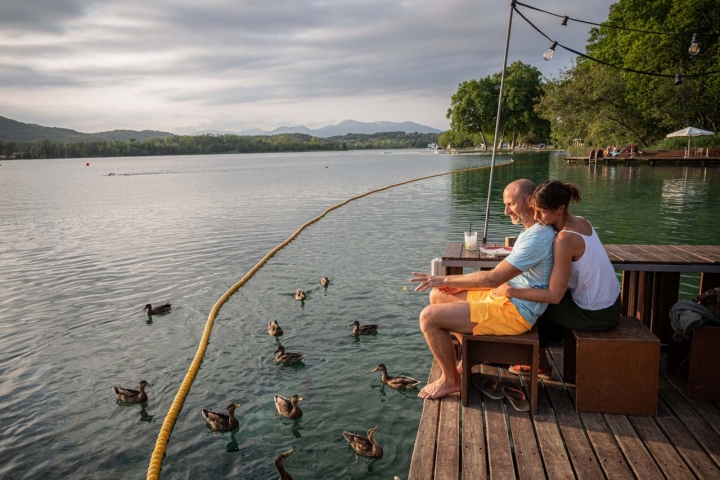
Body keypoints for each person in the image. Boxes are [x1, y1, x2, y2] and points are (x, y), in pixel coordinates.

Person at [410, 179, 555, 399]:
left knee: (429, 317)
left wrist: (442, 278)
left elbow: (491, 279)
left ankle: (451, 381)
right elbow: (499, 277)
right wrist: (448, 285)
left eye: (511, 204)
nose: (506, 211)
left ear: (529, 201)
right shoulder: (531, 231)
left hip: (515, 312)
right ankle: (468, 357)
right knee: (438, 295)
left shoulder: (537, 237)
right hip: (504, 296)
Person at [493, 180, 621, 379]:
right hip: (612, 305)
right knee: (538, 296)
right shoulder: (582, 221)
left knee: (532, 303)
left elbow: (553, 296)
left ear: (560, 209)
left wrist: (510, 291)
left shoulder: (565, 239)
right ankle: (535, 358)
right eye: (534, 210)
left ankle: (536, 362)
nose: (536, 217)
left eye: (541, 212)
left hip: (596, 315)